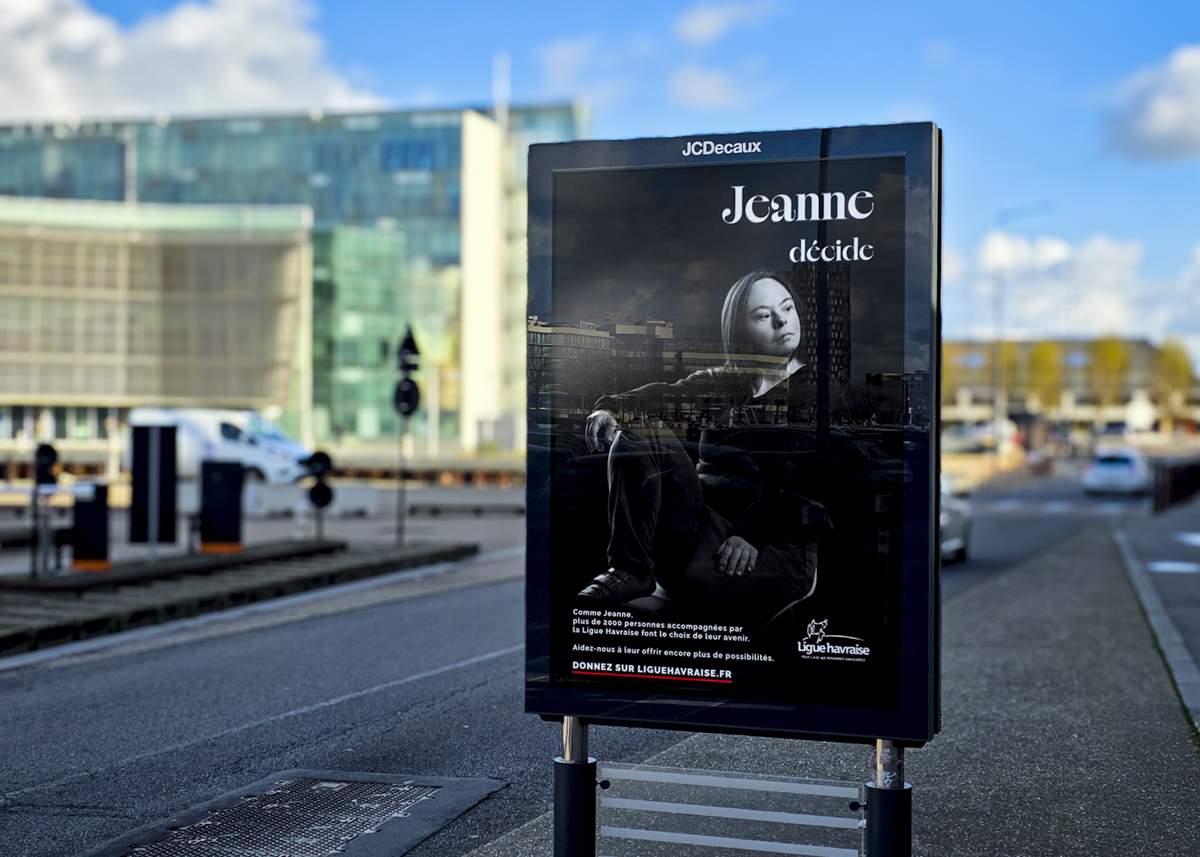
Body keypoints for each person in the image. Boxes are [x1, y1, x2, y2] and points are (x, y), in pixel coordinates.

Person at [576, 272, 828, 627]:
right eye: (762, 315)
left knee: (699, 587)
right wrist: (612, 408)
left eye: (787, 308)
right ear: (740, 331)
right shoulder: (725, 380)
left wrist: (750, 534)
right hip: (698, 524)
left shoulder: (819, 391)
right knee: (637, 428)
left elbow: (797, 473)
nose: (782, 320)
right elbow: (665, 395)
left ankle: (669, 574)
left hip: (772, 542)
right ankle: (630, 569)